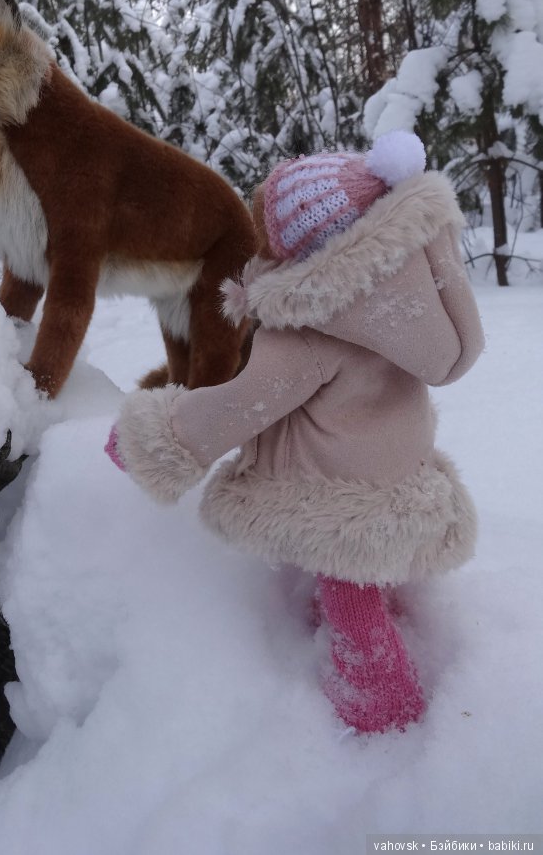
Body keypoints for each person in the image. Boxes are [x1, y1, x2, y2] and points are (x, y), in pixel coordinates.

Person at [105, 131, 484, 734]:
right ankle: (384, 602)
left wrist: (158, 438)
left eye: (270, 233)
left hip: (336, 490)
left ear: (308, 250)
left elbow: (242, 406)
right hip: (398, 466)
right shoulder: (398, 294)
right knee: (363, 565)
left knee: (347, 585)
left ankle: (381, 702)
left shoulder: (307, 330)